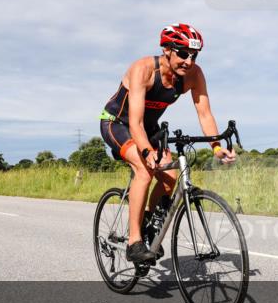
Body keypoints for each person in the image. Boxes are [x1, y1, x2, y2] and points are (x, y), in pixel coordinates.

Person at [99, 24, 236, 263]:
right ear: (166, 50)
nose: (189, 61)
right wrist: (145, 151)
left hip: (149, 129)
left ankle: (148, 222)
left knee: (171, 177)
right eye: (183, 53)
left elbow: (204, 114)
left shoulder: (194, 75)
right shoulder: (143, 70)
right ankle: (134, 242)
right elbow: (136, 121)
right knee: (145, 169)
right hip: (117, 123)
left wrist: (215, 146)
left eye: (194, 55)